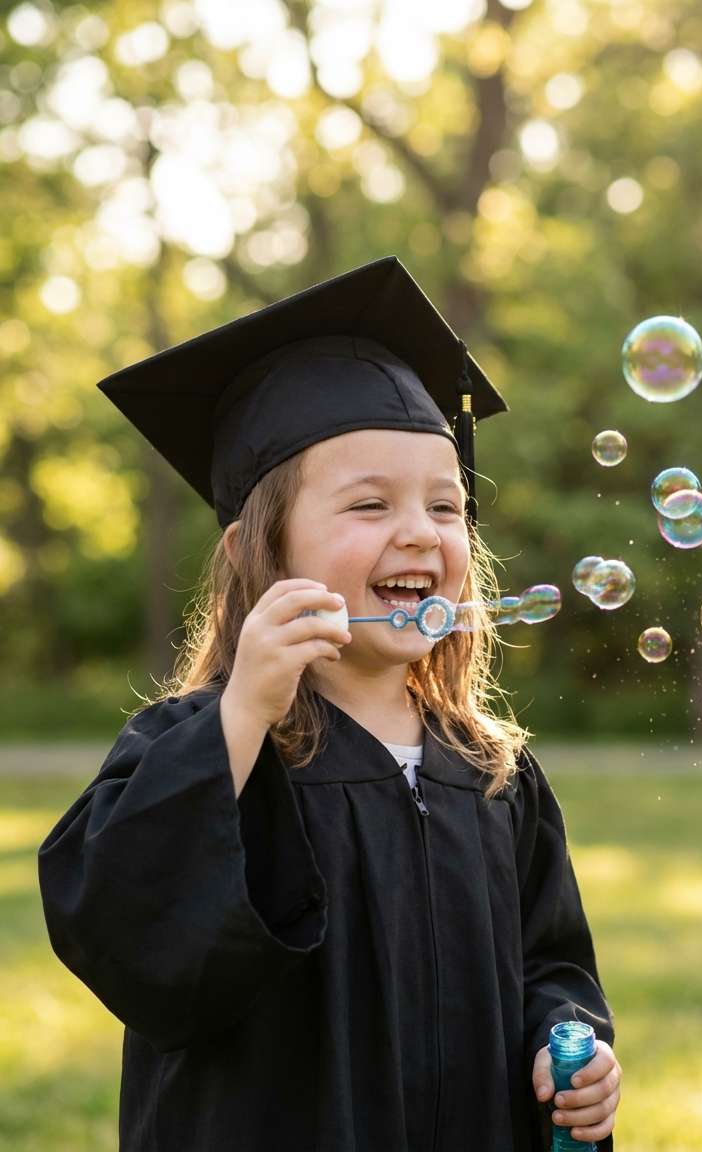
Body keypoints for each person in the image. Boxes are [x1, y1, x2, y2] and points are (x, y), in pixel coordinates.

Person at [37, 256, 621, 1151]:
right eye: (369, 504)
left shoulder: (493, 772)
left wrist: (565, 1040)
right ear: (256, 550)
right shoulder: (208, 746)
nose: (419, 531)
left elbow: (550, 960)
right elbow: (122, 931)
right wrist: (242, 715)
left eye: (446, 506)